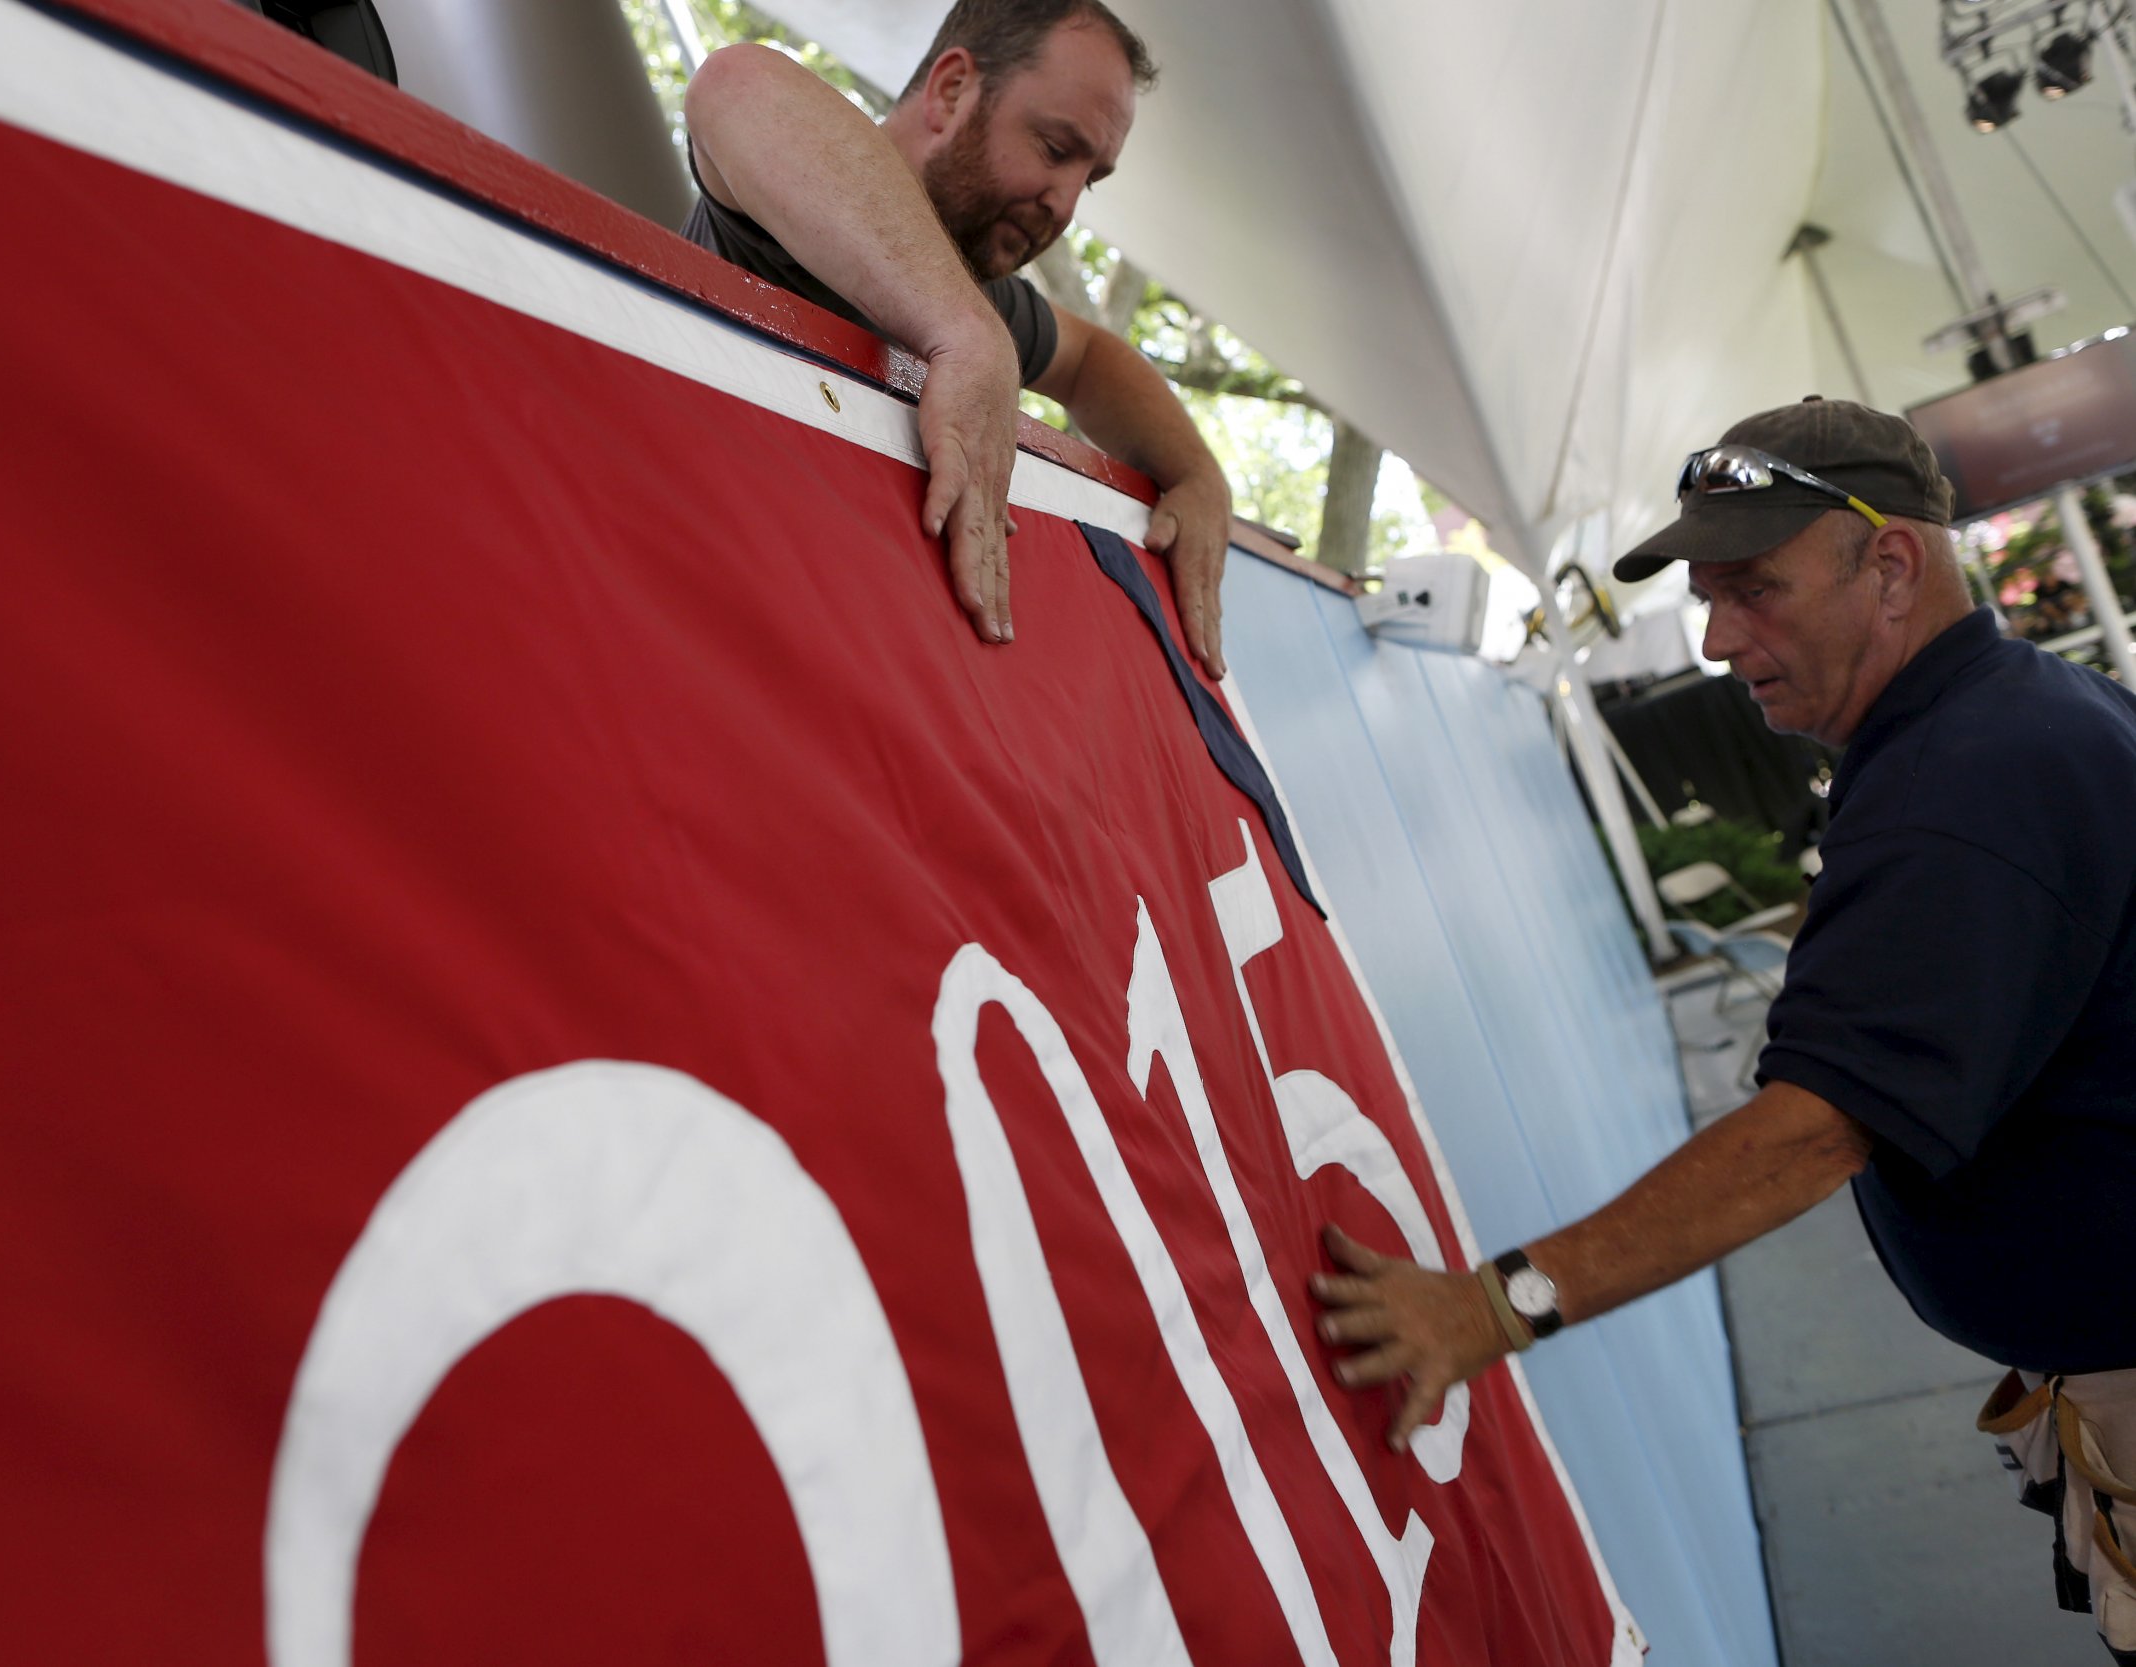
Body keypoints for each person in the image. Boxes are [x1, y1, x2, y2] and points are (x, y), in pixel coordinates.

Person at [1309, 397, 2136, 1658]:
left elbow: (1811, 1132)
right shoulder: (1991, 720)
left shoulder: (1965, 781)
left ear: (1891, 562)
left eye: (1753, 588)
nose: (1713, 638)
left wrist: (1493, 1305)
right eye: (1705, 594)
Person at [682, 1, 1233, 674]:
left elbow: (1092, 358)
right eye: (1055, 149)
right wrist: (969, 337)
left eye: (1088, 179)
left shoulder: (983, 295)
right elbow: (734, 82)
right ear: (950, 91)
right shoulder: (799, 193)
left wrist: (1200, 475)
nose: (1064, 203)